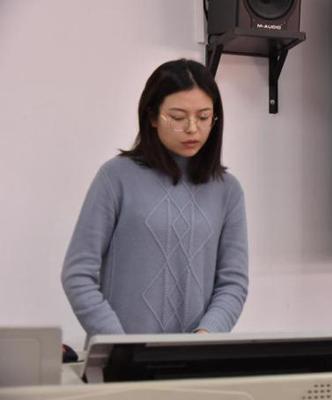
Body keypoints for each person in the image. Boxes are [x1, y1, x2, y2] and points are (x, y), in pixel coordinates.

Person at [61, 59, 248, 336]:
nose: (192, 128)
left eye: (203, 117)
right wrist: (119, 345)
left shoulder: (228, 190)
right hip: (123, 357)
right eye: (178, 117)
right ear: (152, 117)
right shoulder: (116, 177)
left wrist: (205, 337)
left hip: (196, 356)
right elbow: (77, 274)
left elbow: (233, 283)